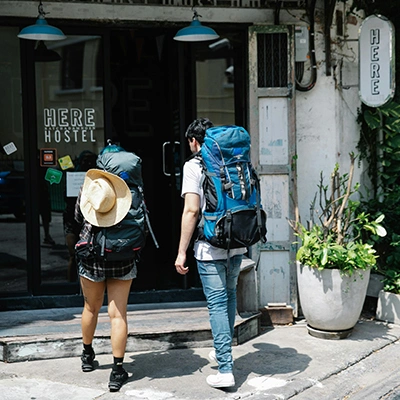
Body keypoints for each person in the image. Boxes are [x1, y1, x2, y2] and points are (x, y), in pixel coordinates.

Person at [175, 118, 247, 389]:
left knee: (217, 303)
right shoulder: (235, 161)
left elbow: (192, 211)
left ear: (194, 142)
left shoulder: (193, 165)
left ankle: (226, 368)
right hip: (237, 241)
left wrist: (181, 251)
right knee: (229, 297)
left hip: (210, 245)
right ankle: (221, 352)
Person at [74, 144, 137, 392]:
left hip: (91, 254)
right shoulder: (131, 189)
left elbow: (79, 217)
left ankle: (87, 355)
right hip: (122, 255)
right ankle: (117, 370)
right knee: (118, 313)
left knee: (91, 306)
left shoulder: (91, 187)